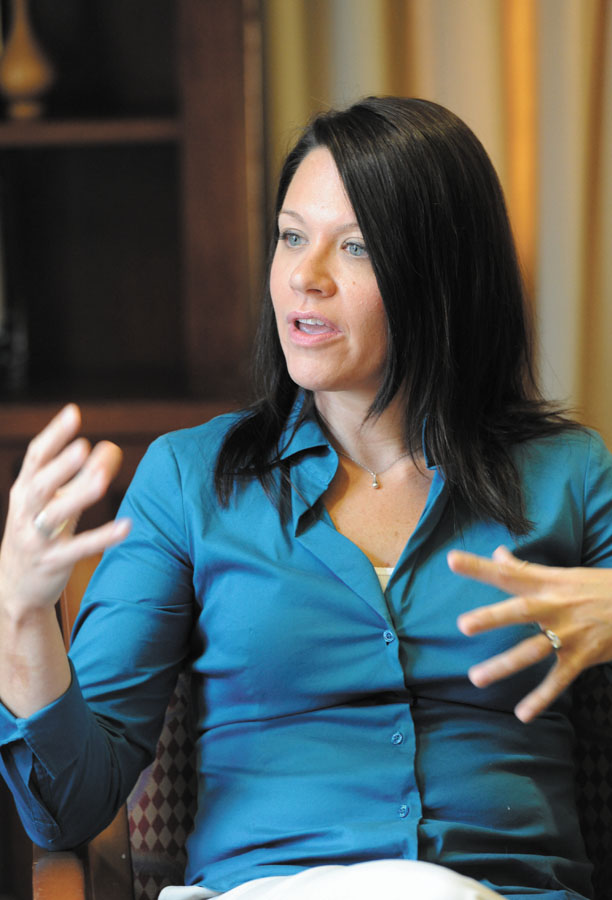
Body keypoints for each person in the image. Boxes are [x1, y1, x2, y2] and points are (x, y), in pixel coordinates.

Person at [1, 96, 612, 900]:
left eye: (354, 247)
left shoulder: (570, 475)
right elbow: (67, 811)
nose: (304, 276)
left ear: (444, 275)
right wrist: (19, 615)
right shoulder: (189, 479)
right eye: (292, 236)